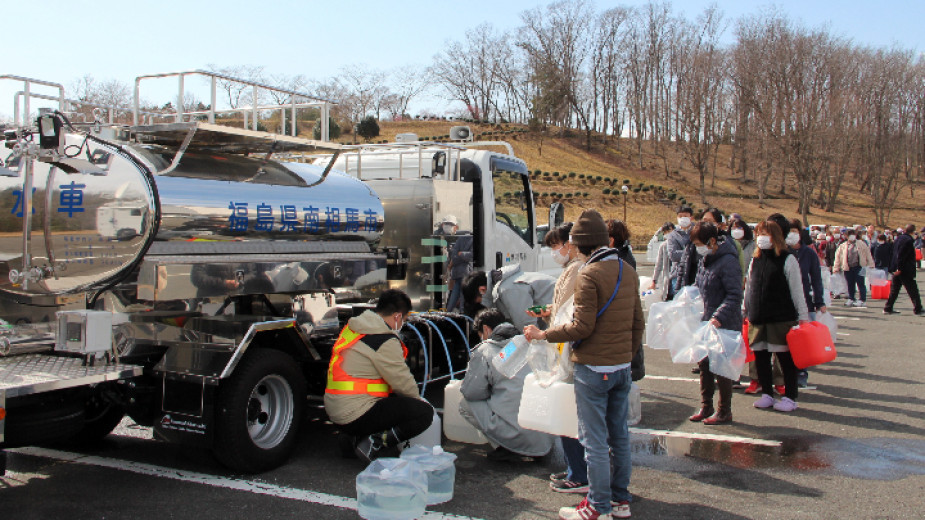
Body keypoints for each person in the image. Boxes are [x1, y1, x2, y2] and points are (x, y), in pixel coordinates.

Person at [524, 209, 643, 520]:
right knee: (618, 436)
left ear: (582, 244)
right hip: (620, 368)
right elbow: (637, 323)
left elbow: (581, 328)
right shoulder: (627, 269)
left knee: (593, 441)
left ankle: (598, 506)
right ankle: (619, 500)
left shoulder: (590, 274)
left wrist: (542, 334)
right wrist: (625, 357)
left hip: (593, 368)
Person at [324, 289, 434, 462]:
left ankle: (352, 438)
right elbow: (403, 383)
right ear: (397, 316)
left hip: (335, 410)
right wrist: (416, 402)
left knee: (391, 398)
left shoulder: (355, 328)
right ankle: (372, 442)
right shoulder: (383, 339)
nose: (403, 323)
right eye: (404, 319)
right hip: (355, 412)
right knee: (423, 413)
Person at [459, 309, 554, 461]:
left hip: (517, 434)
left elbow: (472, 392)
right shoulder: (531, 346)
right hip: (545, 437)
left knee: (465, 404)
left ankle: (505, 447)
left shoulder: (487, 350)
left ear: (486, 330)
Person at [745, 221, 810, 413]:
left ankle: (790, 396)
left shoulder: (787, 259)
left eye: (765, 233)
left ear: (775, 236)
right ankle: (767, 393)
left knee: (785, 359)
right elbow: (749, 287)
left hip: (781, 317)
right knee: (761, 357)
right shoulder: (755, 259)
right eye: (758, 233)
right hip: (758, 316)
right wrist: (745, 310)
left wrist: (803, 316)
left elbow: (797, 290)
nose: (761, 237)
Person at [688, 222, 743, 425]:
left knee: (722, 368)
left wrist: (718, 317)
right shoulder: (706, 259)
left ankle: (724, 410)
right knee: (704, 365)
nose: (697, 248)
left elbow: (735, 295)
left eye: (699, 243)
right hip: (707, 321)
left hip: (723, 323)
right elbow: (700, 284)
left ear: (712, 241)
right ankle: (706, 406)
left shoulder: (728, 261)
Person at [788, 219, 827, 388]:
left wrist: (819, 301)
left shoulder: (809, 253)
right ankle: (786, 376)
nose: (792, 234)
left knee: (803, 342)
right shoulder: (782, 252)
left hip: (805, 301)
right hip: (786, 302)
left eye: (795, 230)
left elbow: (816, 279)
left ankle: (801, 375)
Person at [461, 266, 556, 330]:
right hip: (552, 313)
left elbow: (526, 324)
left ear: (482, 290)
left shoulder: (507, 289)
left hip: (559, 308)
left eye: (480, 302)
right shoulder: (500, 284)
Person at [883, 224, 924, 316]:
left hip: (897, 268)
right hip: (904, 269)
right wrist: (899, 268)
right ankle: (918, 308)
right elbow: (901, 255)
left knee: (895, 289)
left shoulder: (898, 239)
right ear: (913, 232)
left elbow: (893, 253)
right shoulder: (908, 241)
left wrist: (893, 267)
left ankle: (888, 307)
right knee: (912, 289)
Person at [833, 228, 874, 307]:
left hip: (859, 267)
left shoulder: (861, 244)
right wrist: (836, 268)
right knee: (850, 284)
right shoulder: (843, 246)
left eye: (853, 235)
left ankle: (862, 299)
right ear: (846, 236)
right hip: (848, 267)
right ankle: (851, 298)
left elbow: (868, 254)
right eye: (849, 235)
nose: (851, 237)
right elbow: (838, 257)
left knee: (860, 284)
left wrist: (871, 264)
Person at [441, 215, 474, 312]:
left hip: (462, 274)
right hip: (458, 274)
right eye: (446, 224)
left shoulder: (468, 239)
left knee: (458, 298)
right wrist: (462, 256)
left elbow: (470, 256)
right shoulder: (459, 239)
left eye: (450, 224)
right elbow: (455, 256)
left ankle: (450, 314)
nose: (448, 226)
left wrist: (461, 254)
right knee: (455, 298)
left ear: (456, 226)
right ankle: (450, 315)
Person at [667, 206, 694, 299]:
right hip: (677, 274)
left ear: (691, 217)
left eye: (685, 216)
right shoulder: (673, 235)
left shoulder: (697, 231)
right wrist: (691, 253)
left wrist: (683, 254)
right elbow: (673, 255)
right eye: (680, 216)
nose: (683, 218)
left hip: (694, 273)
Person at [650, 222, 675, 294]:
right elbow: (659, 264)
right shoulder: (664, 246)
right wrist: (654, 280)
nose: (668, 233)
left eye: (669, 231)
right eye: (665, 232)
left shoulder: (680, 242)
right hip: (667, 277)